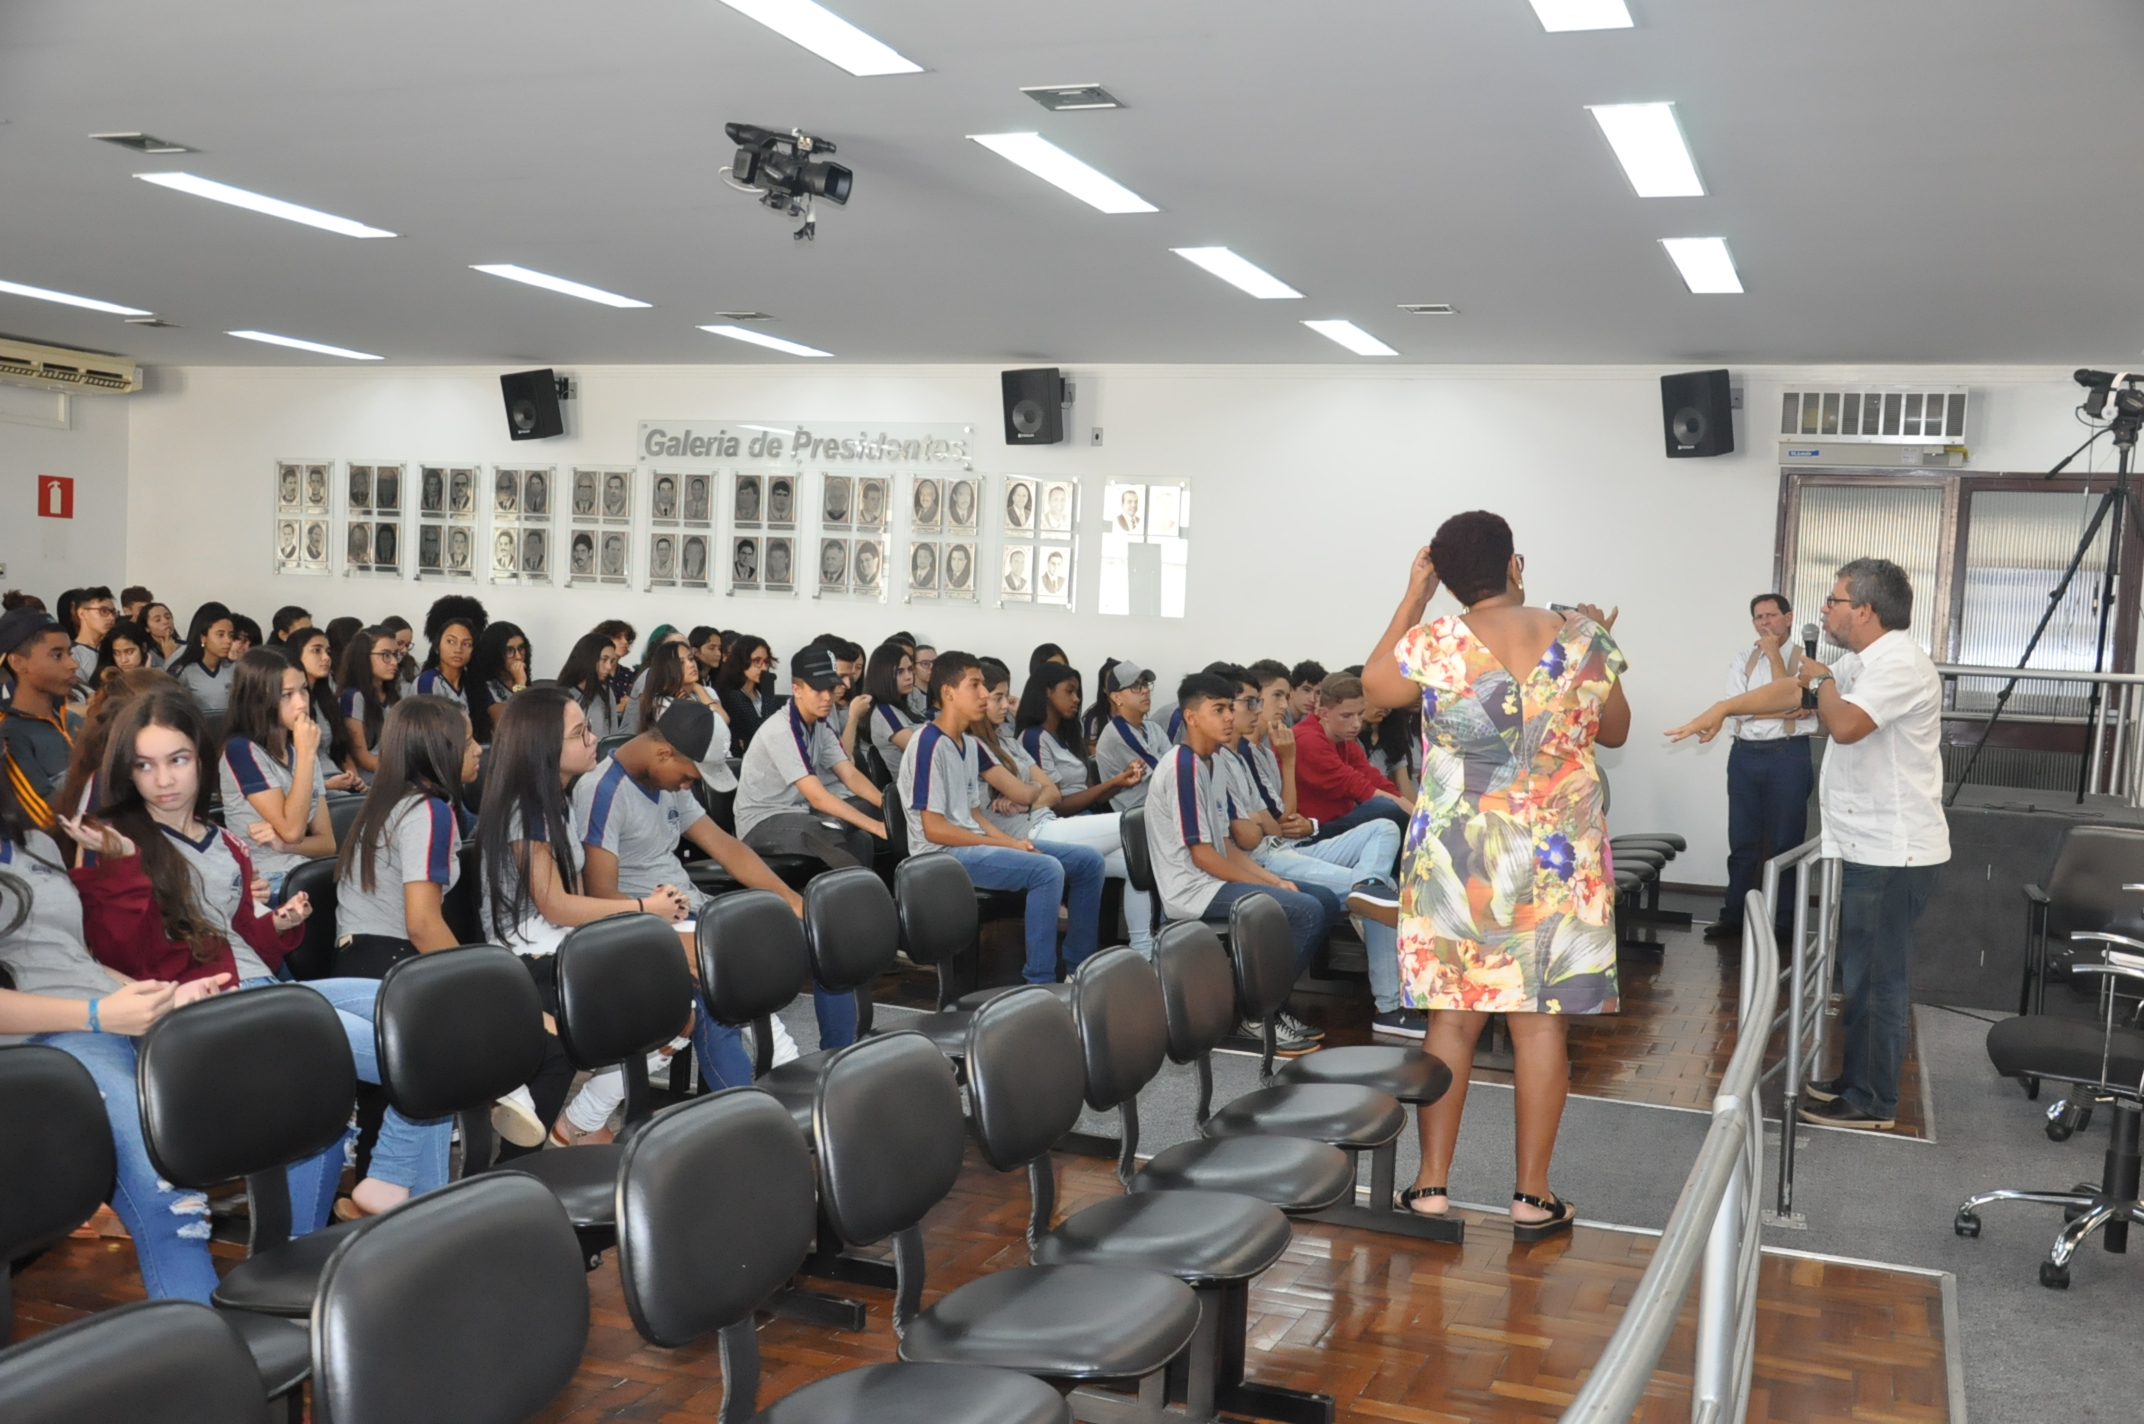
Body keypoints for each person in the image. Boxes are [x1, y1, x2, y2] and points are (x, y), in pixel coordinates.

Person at [65, 687, 451, 1222]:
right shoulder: (115, 842)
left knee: (423, 1020)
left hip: (263, 992)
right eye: (145, 765)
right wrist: (124, 873)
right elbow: (124, 957)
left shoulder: (221, 841)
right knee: (419, 1058)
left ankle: (406, 1200)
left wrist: (282, 926)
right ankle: (397, 1191)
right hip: (210, 1013)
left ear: (199, 760)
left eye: (177, 760)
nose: (164, 779)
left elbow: (249, 943)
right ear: (127, 772)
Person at [1361, 513, 1628, 1236]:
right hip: (1556, 856)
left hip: (1462, 856)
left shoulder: (1436, 641)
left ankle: (1429, 1187)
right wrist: (1598, 636)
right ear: (1517, 565)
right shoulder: (1581, 636)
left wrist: (1414, 596)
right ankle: (1532, 1196)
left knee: (1451, 1021)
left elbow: (1375, 687)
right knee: (1540, 1030)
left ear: (1446, 580)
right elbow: (1615, 729)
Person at [1667, 558, 1945, 1132]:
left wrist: (1820, 685)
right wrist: (1725, 708)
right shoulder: (1859, 661)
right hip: (1865, 844)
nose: (1825, 608)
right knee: (1859, 975)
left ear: (1864, 611)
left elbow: (1843, 724)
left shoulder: (1898, 664)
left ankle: (1874, 1103)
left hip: (1894, 851)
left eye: (1835, 600)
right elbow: (1789, 691)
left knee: (1877, 981)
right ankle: (1856, 1082)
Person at [0, 771, 233, 1301]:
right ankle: (210, 1367)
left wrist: (162, 996)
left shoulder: (35, 844)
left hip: (106, 1020)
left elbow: (75, 960)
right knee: (171, 1203)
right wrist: (97, 1016)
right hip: (49, 1046)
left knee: (271, 1074)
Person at [475, 688, 694, 1150]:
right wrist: (643, 909)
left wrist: (628, 927)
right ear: (545, 748)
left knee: (680, 1004)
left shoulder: (557, 799)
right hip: (526, 954)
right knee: (655, 1004)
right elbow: (554, 904)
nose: (594, 739)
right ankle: (553, 1136)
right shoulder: (527, 807)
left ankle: (578, 1121)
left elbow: (574, 900)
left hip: (560, 945)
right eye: (580, 733)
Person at [575, 699, 806, 1059]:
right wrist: (665, 927)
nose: (687, 787)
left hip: (689, 912)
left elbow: (727, 848)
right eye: (688, 777)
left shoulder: (667, 781)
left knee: (773, 948)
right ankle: (757, 1094)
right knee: (719, 987)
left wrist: (790, 899)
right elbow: (601, 893)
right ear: (665, 753)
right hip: (644, 922)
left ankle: (793, 1068)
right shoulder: (602, 791)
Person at [1211, 666, 1412, 1036]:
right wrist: (1268, 820)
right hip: (1271, 853)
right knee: (1381, 892)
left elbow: (1279, 818)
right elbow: (1254, 834)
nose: (1274, 707)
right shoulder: (1213, 759)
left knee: (1382, 840)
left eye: (1273, 698)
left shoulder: (1253, 754)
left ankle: (1369, 887)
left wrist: (1278, 788)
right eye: (1269, 697)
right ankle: (1389, 1007)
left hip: (1290, 843)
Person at [1146, 672, 1335, 1052]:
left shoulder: (1211, 762)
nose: (1229, 717)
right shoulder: (1183, 766)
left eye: (1230, 708)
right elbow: (1201, 855)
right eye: (1218, 710)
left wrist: (1269, 878)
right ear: (1191, 717)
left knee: (1325, 901)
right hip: (1191, 890)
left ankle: (1264, 1003)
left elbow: (1226, 845)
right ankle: (1257, 1015)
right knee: (1307, 912)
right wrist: (1268, 886)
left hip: (1212, 878)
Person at [901, 651, 1103, 985]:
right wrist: (1006, 843)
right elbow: (934, 829)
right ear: (949, 693)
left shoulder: (967, 744)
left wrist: (1011, 843)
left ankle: (1076, 970)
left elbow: (975, 814)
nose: (984, 694)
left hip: (970, 845)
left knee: (1089, 862)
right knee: (1046, 869)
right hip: (939, 856)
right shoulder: (928, 743)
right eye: (975, 685)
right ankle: (1039, 983)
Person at [977, 659, 1151, 955]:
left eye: (1008, 697)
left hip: (1045, 821)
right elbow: (1044, 793)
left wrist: (1026, 799)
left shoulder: (1010, 743)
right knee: (1139, 823)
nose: (1007, 704)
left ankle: (1143, 953)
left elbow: (1052, 793)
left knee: (1136, 861)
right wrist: (1033, 795)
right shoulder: (978, 746)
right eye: (999, 698)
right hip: (1034, 831)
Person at [331, 696, 476, 979]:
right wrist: (474, 979)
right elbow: (422, 925)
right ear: (438, 750)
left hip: (360, 958)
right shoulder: (428, 811)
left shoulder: (391, 798)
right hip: (390, 961)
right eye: (468, 743)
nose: (478, 751)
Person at [1702, 592, 1818, 945]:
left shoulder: (1809, 662)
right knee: (1743, 840)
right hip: (1745, 755)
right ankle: (1733, 916)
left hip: (1789, 756)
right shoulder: (1742, 660)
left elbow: (1788, 698)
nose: (1765, 623)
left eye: (1771, 616)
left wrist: (1775, 667)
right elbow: (1737, 710)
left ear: (1788, 618)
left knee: (1786, 842)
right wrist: (1787, 709)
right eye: (1758, 617)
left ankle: (1784, 922)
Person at [734, 645, 888, 875]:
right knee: (823, 834)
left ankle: (860, 899)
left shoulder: (819, 723)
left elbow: (850, 774)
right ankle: (855, 901)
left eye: (829, 687)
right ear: (797, 690)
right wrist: (878, 826)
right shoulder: (781, 730)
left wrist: (889, 806)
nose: (827, 697)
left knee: (861, 837)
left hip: (797, 811)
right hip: (760, 822)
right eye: (817, 689)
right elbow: (818, 797)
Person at [218, 650, 336, 902]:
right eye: (286, 695)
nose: (302, 703)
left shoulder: (303, 750)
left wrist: (285, 846)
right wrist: (305, 756)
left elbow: (327, 843)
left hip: (304, 872)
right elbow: (293, 830)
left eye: (303, 690)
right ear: (259, 700)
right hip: (266, 881)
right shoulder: (241, 750)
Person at [1290, 673, 1413, 841]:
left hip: (1337, 824)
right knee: (1387, 809)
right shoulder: (1307, 739)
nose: (1356, 723)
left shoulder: (1345, 739)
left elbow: (1376, 780)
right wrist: (1419, 821)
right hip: (1310, 833)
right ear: (1324, 713)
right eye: (1346, 716)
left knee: (1393, 810)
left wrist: (1418, 816)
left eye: (1360, 714)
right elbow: (1359, 788)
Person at [0, 607, 84, 827]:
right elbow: (44, 818)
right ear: (18, 663)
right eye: (57, 655)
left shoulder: (73, 721)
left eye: (69, 653)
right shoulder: (9, 734)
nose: (72, 664)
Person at [283, 626, 363, 790]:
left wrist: (354, 779)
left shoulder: (326, 700)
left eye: (327, 651)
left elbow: (342, 750)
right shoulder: (285, 705)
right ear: (296, 655)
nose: (326, 657)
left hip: (337, 778)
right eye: (316, 651)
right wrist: (327, 786)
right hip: (310, 786)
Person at [1092, 660, 1168, 812]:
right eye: (1135, 686)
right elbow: (1166, 773)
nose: (1145, 690)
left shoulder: (1152, 728)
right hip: (1138, 817)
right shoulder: (1117, 733)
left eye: (1145, 684)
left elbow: (1172, 765)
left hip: (1158, 808)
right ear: (1116, 697)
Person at [338, 626, 404, 780]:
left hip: (395, 769)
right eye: (386, 655)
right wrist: (405, 773)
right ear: (364, 656)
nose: (394, 662)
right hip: (371, 777)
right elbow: (363, 758)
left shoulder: (393, 695)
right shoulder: (353, 696)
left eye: (396, 655)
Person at [466, 622, 531, 744]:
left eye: (521, 648)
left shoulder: (523, 678)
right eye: (509, 650)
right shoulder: (484, 685)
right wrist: (520, 684)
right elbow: (510, 727)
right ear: (494, 653)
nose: (518, 656)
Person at [167, 603, 236, 714]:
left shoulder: (234, 668)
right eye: (220, 635)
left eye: (231, 635)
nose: (228, 641)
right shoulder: (183, 671)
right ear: (203, 638)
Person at [713, 635, 778, 752]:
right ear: (742, 661)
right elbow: (764, 732)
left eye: (766, 662)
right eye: (757, 661)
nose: (763, 667)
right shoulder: (733, 695)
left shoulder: (758, 692)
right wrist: (769, 690)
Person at [863, 641, 920, 770]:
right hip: (916, 785)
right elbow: (923, 750)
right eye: (900, 672)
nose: (909, 677)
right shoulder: (884, 713)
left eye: (910, 670)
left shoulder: (907, 707)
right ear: (883, 676)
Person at [557, 630, 622, 743]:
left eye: (612, 661)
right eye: (604, 659)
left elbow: (613, 737)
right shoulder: (564, 696)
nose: (608, 667)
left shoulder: (606, 692)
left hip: (602, 757)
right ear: (588, 658)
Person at [416, 614, 475, 710]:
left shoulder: (473, 684)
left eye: (467, 644)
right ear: (437, 646)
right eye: (451, 641)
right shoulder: (428, 681)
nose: (458, 649)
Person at [67, 586, 116, 690]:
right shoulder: (72, 652)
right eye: (104, 611)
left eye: (113, 612)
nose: (111, 618)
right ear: (82, 613)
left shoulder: (115, 648)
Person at [141, 602, 181, 669]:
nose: (166, 621)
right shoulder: (146, 654)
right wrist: (169, 658)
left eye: (168, 617)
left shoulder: (186, 647)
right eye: (157, 620)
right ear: (147, 628)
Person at [1286, 661, 1325, 726]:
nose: (1312, 699)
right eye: (1307, 690)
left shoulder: (1307, 717)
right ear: (1291, 690)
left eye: (1318, 693)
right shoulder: (1277, 716)